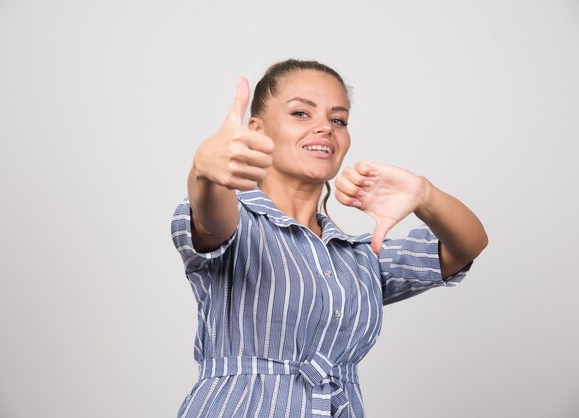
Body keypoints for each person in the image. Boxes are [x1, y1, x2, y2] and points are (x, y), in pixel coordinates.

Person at [171, 59, 488, 418]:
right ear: (256, 130)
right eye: (302, 113)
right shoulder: (240, 224)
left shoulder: (358, 257)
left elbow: (467, 245)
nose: (325, 127)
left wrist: (424, 194)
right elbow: (211, 215)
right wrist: (205, 170)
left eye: (338, 120)